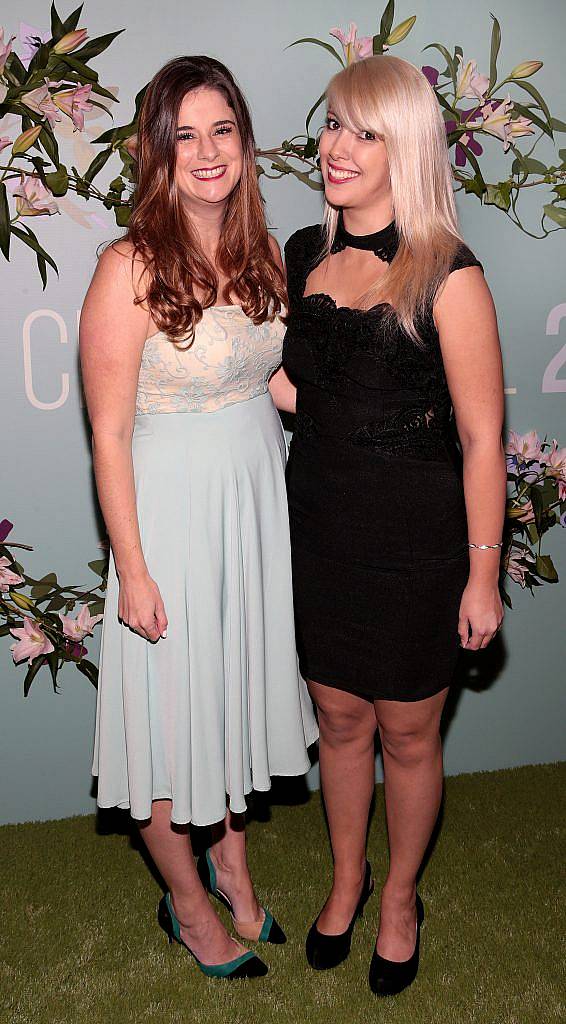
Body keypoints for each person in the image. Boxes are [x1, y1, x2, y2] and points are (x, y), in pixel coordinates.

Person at [79, 55, 317, 981]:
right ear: (160, 150)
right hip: (171, 519)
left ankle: (233, 865)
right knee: (171, 723)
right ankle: (187, 904)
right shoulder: (126, 266)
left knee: (225, 702)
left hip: (253, 506)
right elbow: (106, 436)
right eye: (187, 134)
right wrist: (133, 570)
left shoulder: (261, 253)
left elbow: (274, 382)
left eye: (224, 130)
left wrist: (377, 405)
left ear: (245, 143)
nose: (208, 151)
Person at [278, 54, 505, 996]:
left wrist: (483, 576)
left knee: (408, 736)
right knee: (337, 719)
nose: (338, 147)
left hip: (416, 543)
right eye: (332, 125)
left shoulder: (450, 274)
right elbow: (298, 391)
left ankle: (401, 898)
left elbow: (484, 440)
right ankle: (347, 878)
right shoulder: (300, 254)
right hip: (322, 526)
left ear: (404, 146)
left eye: (365, 132)